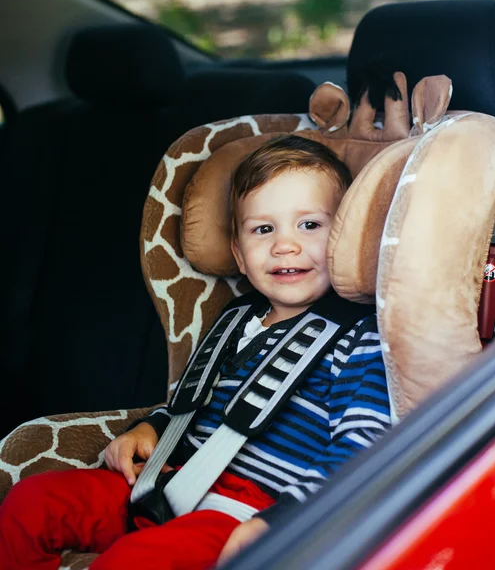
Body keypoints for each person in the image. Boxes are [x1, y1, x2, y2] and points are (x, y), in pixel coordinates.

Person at [0, 135, 391, 570]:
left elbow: (363, 448)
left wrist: (283, 521)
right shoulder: (236, 318)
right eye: (264, 229)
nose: (285, 245)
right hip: (167, 480)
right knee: (32, 501)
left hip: (246, 512)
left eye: (310, 225)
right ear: (239, 256)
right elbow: (192, 405)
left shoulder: (359, 336)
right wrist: (149, 429)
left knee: (132, 561)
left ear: (345, 237)